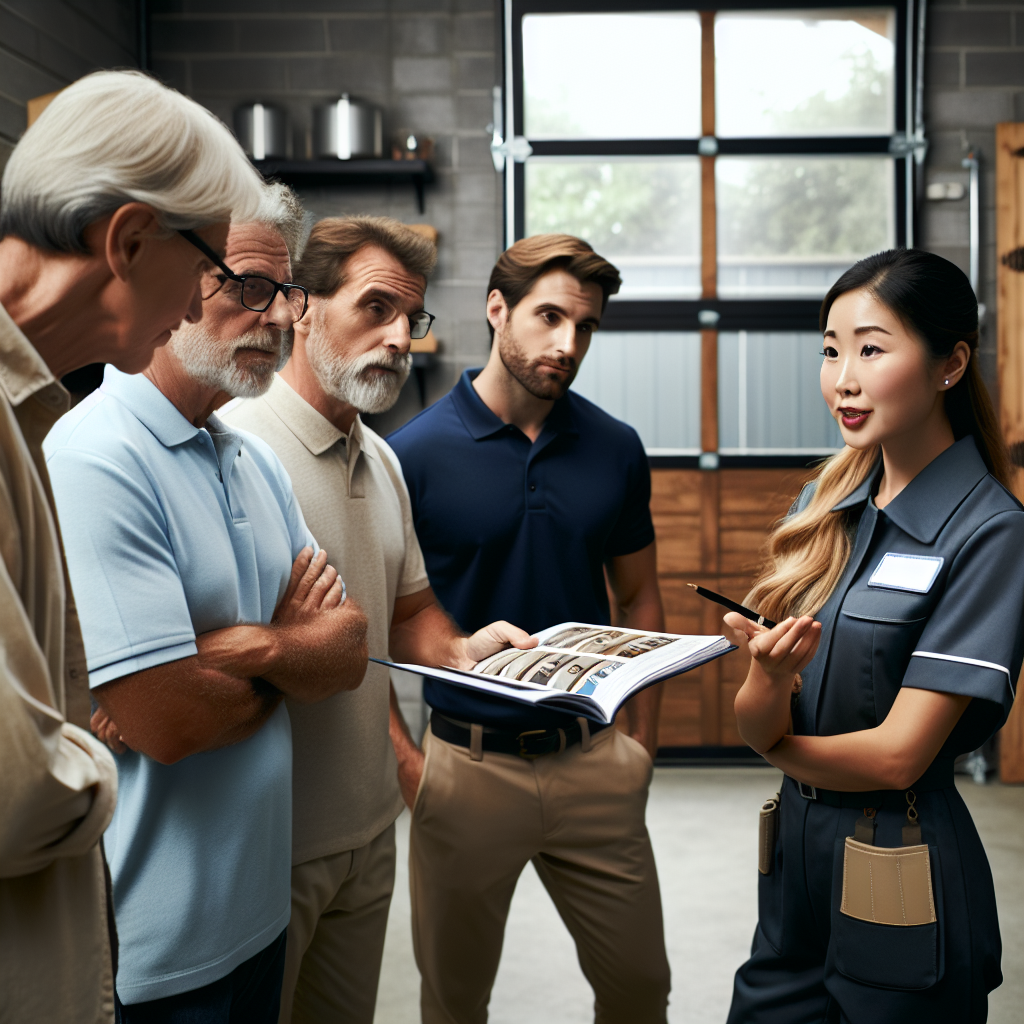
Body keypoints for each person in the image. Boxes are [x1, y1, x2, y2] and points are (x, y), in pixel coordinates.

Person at [44, 189, 370, 1024]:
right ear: (175, 279)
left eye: (286, 292)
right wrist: (285, 650)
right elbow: (168, 723)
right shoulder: (95, 454)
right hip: (152, 954)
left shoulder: (252, 460)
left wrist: (245, 648)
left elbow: (347, 650)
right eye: (252, 287)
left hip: (258, 917)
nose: (281, 317)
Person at [221, 215, 536, 1024]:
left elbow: (411, 612)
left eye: (411, 317)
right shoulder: (236, 449)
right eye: (375, 308)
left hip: (368, 836)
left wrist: (462, 651)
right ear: (300, 307)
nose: (400, 338)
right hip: (271, 849)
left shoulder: (384, 458)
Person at [0, 70, 264, 1024]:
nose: (197, 309)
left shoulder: (31, 407)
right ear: (129, 239)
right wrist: (124, 735)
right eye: (207, 268)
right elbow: (20, 791)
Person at [724, 248, 1023, 1024]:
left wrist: (778, 748)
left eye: (872, 349)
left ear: (950, 364)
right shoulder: (822, 509)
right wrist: (766, 679)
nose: (843, 379)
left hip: (900, 856)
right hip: (794, 856)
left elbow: (898, 757)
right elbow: (755, 720)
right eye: (831, 351)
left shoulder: (991, 533)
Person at [387, 234, 672, 1024]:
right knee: (454, 1004)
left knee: (640, 990)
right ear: (496, 309)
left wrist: (641, 745)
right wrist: (407, 765)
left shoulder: (615, 448)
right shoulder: (410, 457)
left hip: (593, 762)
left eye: (586, 326)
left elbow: (641, 596)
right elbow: (369, 624)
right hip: (466, 769)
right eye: (550, 317)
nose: (568, 343)